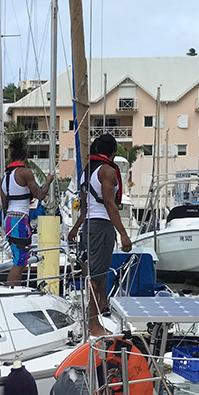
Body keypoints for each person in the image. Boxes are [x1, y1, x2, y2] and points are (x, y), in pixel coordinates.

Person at [67, 133, 131, 337]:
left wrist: (76, 226)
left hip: (88, 224)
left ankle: (101, 309)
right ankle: (93, 324)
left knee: (98, 272)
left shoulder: (87, 172)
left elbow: (85, 207)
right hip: (102, 226)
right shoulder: (107, 171)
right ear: (113, 151)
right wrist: (123, 233)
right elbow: (110, 204)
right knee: (95, 277)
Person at [0, 138, 54, 286]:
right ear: (25, 160)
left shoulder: (5, 178)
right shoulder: (25, 173)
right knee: (19, 263)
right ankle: (12, 293)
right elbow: (40, 195)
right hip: (19, 220)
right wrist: (48, 181)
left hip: (9, 220)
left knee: (19, 261)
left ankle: (13, 291)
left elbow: (4, 205)